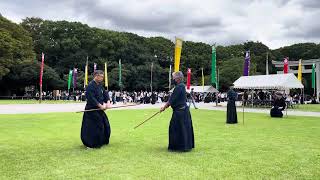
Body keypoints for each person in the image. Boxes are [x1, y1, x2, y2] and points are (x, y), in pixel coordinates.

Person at [160, 71, 194, 152]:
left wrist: (163, 108)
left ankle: (178, 147)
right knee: (182, 129)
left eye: (173, 78)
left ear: (178, 78)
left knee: (175, 128)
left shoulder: (179, 87)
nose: (173, 79)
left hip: (180, 112)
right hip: (182, 111)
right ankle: (184, 146)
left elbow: (171, 100)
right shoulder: (181, 86)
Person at [81, 70, 111, 148]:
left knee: (105, 124)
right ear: (96, 76)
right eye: (101, 76)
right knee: (95, 127)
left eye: (103, 77)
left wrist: (108, 102)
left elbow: (105, 93)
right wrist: (100, 106)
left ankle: (102, 141)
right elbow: (91, 98)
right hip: (91, 110)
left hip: (99, 110)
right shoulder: (90, 86)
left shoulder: (100, 85)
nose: (102, 78)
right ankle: (91, 144)